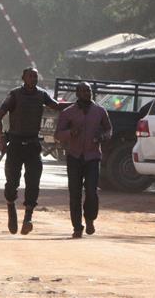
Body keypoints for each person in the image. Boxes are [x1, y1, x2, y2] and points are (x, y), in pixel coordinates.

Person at [0, 67, 60, 235]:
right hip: (15, 144)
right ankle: (11, 209)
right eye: (30, 76)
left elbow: (57, 106)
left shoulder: (42, 94)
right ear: (23, 77)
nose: (33, 79)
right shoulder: (14, 94)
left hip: (33, 144)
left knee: (33, 181)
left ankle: (28, 218)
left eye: (35, 76)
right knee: (12, 183)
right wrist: (2, 137)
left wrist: (78, 105)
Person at [54, 82, 112, 238]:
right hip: (74, 157)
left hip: (93, 157)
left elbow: (109, 129)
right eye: (84, 91)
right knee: (75, 193)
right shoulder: (68, 113)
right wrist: (70, 133)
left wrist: (102, 137)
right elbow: (58, 134)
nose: (88, 93)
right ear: (77, 93)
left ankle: (90, 219)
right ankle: (77, 227)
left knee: (92, 191)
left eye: (89, 90)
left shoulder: (100, 111)